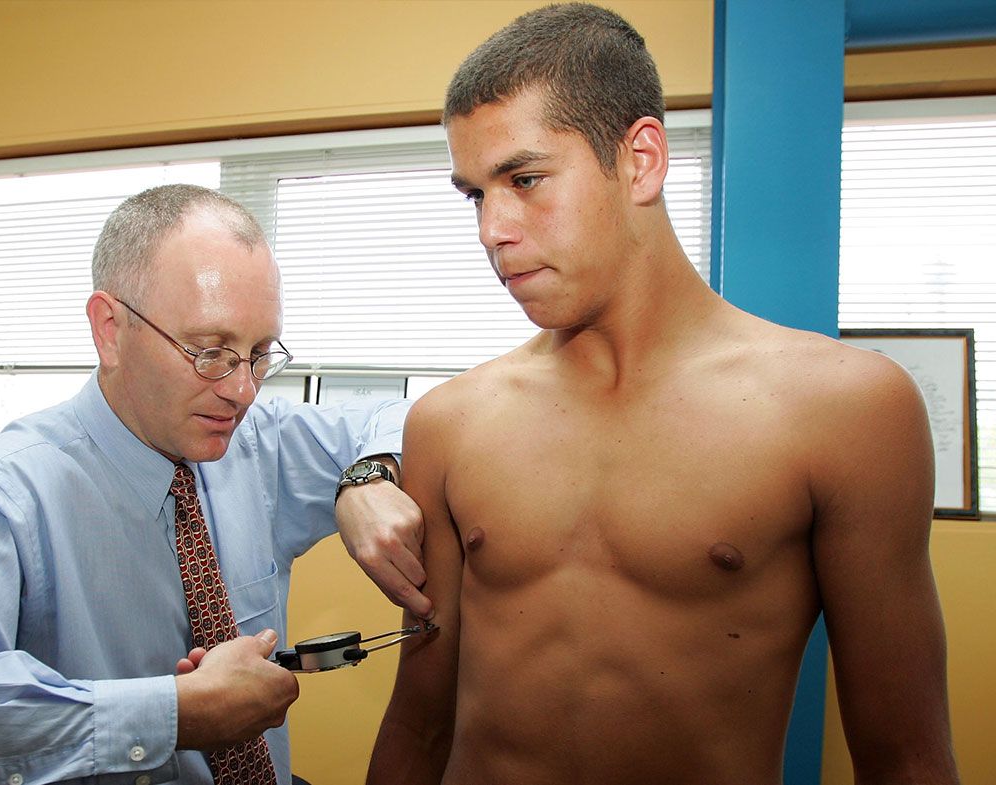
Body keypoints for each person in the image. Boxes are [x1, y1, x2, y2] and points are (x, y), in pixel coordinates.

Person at [367, 5, 960, 784]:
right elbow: (418, 721)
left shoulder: (844, 412)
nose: (492, 230)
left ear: (641, 159)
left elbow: (906, 756)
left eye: (525, 179)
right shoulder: (449, 422)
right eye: (475, 195)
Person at [0, 184, 432, 785]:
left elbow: (411, 414)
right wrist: (165, 713)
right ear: (110, 329)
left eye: (259, 354)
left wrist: (367, 475)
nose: (241, 389)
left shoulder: (260, 443)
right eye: (210, 351)